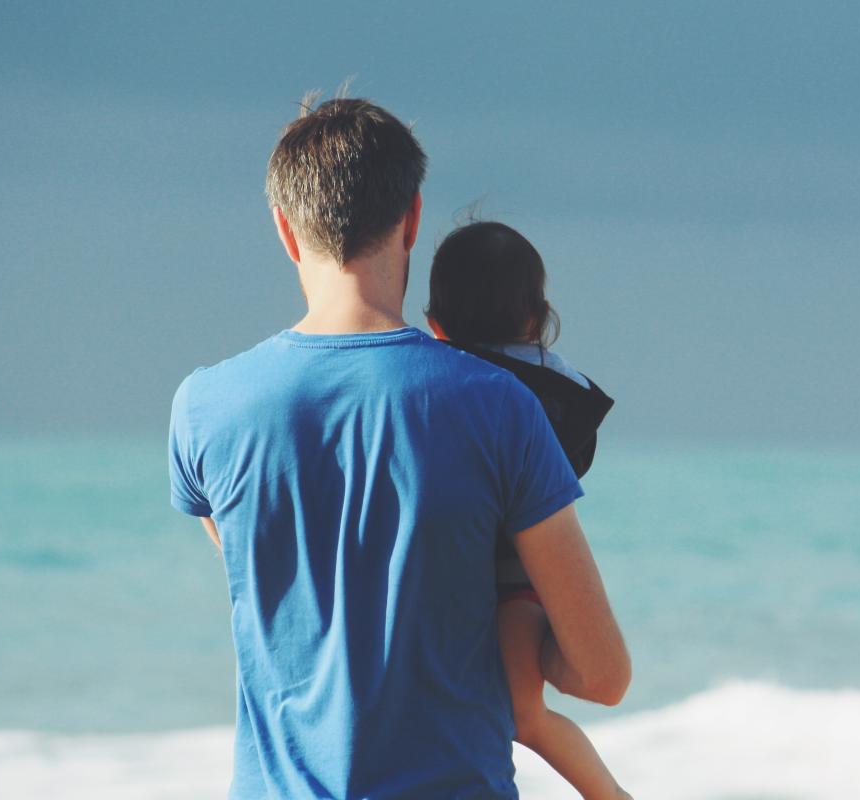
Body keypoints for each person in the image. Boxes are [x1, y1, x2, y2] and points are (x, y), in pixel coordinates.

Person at [166, 95, 630, 800]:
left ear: (287, 230)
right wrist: (523, 648)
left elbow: (282, 595)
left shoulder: (203, 408)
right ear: (412, 218)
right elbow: (602, 675)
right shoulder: (500, 404)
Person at [425, 220, 626, 799]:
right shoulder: (558, 385)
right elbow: (576, 463)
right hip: (527, 576)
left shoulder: (437, 380)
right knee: (523, 715)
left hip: (481, 571)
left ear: (435, 324)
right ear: (538, 316)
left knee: (518, 713)